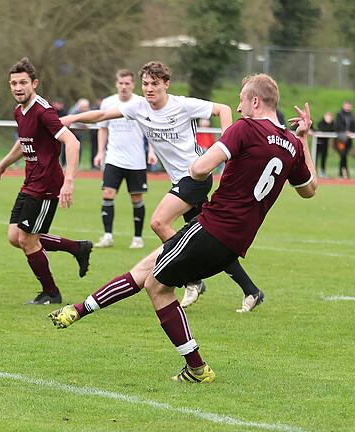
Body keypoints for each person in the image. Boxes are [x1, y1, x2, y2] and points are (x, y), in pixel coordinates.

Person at [50, 74, 316, 383]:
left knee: (156, 285)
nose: (239, 107)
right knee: (147, 268)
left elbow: (199, 168)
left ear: (255, 101)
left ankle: (197, 368)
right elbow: (309, 189)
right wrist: (305, 138)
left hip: (212, 227)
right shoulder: (292, 144)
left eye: (242, 100)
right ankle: (78, 310)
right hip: (236, 240)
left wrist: (205, 170)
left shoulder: (245, 129)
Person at [62, 61, 263, 312]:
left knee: (159, 222)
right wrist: (72, 118)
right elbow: (103, 115)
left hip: (196, 177)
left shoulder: (182, 105)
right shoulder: (138, 107)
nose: (149, 89)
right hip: (180, 181)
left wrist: (227, 144)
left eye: (154, 84)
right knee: (211, 241)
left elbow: (222, 109)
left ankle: (193, 278)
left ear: (166, 84)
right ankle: (251, 290)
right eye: (145, 84)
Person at [0, 57, 93, 305]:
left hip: (47, 185)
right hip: (30, 181)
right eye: (13, 83)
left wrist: (69, 181)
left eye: (23, 82)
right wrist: (3, 164)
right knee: (15, 236)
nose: (17, 87)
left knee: (27, 239)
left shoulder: (44, 112)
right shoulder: (19, 111)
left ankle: (51, 293)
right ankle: (77, 248)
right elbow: (24, 143)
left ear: (34, 83)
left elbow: (72, 142)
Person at [93, 69, 156, 250]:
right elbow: (102, 128)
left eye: (127, 83)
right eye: (121, 83)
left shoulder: (141, 103)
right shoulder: (108, 103)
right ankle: (107, 236)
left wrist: (151, 151)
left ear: (133, 85)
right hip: (114, 158)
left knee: (136, 198)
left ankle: (137, 238)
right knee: (108, 194)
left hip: (136, 160)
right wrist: (100, 153)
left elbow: (150, 129)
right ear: (116, 83)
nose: (124, 86)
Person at [334, 101, 354, 179]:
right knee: (342, 155)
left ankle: (344, 173)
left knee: (345, 155)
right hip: (341, 139)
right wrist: (344, 132)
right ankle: (342, 173)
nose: (347, 107)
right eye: (346, 105)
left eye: (348, 106)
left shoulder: (352, 116)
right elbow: (337, 126)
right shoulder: (339, 115)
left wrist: (350, 132)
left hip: (349, 139)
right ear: (343, 106)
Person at [315, 112, 334, 178]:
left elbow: (333, 130)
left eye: (330, 117)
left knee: (324, 157)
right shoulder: (321, 123)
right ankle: (314, 171)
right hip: (318, 142)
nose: (328, 119)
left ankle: (322, 171)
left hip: (325, 143)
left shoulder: (333, 124)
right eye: (327, 117)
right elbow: (322, 129)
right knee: (315, 157)